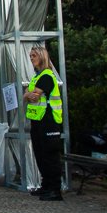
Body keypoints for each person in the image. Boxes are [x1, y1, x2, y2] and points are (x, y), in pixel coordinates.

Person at [25, 44, 65, 201]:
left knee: (50, 156)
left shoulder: (47, 76)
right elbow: (28, 95)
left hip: (49, 121)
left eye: (34, 56)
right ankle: (46, 185)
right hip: (37, 121)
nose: (31, 58)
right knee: (40, 155)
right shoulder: (37, 77)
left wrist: (29, 94)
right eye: (30, 56)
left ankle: (55, 189)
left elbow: (34, 95)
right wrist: (29, 94)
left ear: (42, 56)